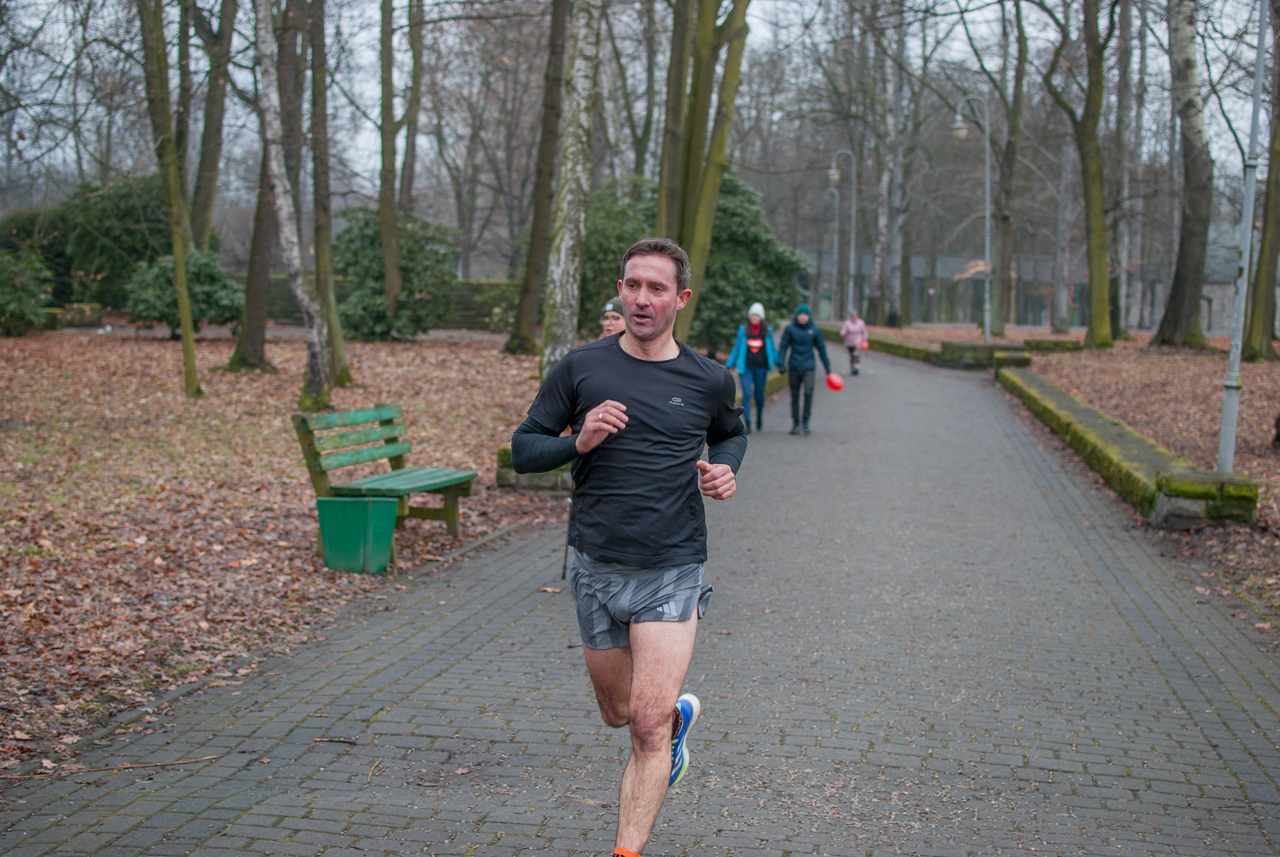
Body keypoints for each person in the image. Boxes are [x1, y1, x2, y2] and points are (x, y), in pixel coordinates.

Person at [510, 238, 747, 857]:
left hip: (672, 568)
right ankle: (675, 724)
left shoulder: (707, 379)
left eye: (657, 288)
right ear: (620, 289)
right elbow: (523, 449)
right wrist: (577, 440)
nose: (642, 299)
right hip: (596, 568)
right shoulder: (581, 368)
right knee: (619, 713)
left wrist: (725, 468)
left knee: (643, 727)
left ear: (682, 299)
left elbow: (732, 434)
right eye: (633, 285)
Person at [776, 303, 831, 435]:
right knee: (794, 396)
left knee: (808, 392)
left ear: (809, 316)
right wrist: (780, 363)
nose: (802, 317)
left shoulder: (815, 330)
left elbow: (821, 349)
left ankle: (805, 422)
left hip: (809, 367)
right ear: (797, 316)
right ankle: (795, 423)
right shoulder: (790, 329)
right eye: (800, 315)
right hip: (794, 366)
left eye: (805, 315)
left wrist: (828, 368)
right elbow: (783, 346)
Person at [725, 301, 778, 434]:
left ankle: (759, 416)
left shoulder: (767, 331)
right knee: (747, 393)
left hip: (761, 368)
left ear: (761, 317)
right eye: (752, 315)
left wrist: (779, 362)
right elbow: (737, 348)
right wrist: (729, 363)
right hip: (746, 368)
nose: (754, 318)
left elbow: (771, 349)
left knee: (759, 396)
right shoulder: (743, 330)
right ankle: (747, 421)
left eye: (757, 316)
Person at [839, 310, 868, 375]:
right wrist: (843, 334)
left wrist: (865, 339)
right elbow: (843, 331)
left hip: (858, 342)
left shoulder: (861, 322)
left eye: (855, 316)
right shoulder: (847, 323)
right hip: (849, 343)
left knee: (856, 355)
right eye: (853, 316)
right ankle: (852, 367)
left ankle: (856, 367)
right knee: (851, 356)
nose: (854, 317)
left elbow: (864, 331)